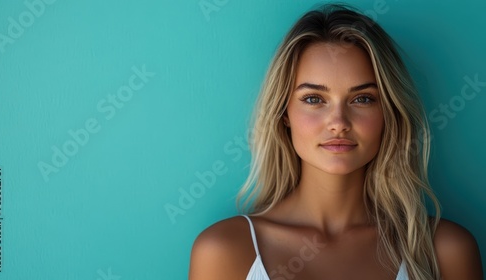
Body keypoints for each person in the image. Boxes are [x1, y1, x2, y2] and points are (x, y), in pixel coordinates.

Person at [188, 4, 483, 280]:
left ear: (388, 113)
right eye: (314, 99)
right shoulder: (225, 250)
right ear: (284, 114)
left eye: (362, 98)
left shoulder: (446, 251)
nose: (339, 122)